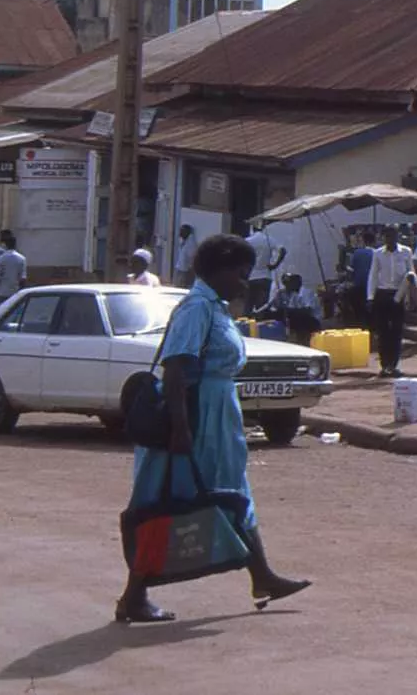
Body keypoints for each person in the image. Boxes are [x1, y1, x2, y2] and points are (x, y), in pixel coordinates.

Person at [116, 234, 310, 624]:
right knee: (169, 500)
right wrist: (182, 429)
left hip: (218, 417)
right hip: (198, 418)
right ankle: (133, 596)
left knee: (232, 496)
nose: (243, 282)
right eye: (240, 273)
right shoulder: (196, 308)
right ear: (220, 269)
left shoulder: (217, 308)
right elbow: (175, 371)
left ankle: (263, 576)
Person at [367, 226, 415, 378]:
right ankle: (384, 365)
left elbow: (411, 274)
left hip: (398, 295)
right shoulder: (378, 254)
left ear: (397, 236)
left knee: (396, 331)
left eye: (392, 236)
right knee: (383, 332)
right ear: (383, 238)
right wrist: (370, 297)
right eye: (387, 236)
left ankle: (393, 365)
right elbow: (373, 275)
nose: (390, 239)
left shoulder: (406, 252)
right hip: (382, 294)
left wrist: (410, 296)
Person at [263, 272, 325, 345]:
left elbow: (308, 311)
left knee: (294, 315)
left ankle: (303, 337)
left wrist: (288, 310)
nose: (286, 286)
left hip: (314, 321)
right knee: (278, 314)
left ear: (297, 282)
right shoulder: (292, 294)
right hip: (302, 318)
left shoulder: (306, 292)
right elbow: (286, 308)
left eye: (289, 283)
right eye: (285, 283)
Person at [244, 222, 286, 319]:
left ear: (252, 228)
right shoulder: (268, 240)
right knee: (261, 307)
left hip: (250, 277)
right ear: (263, 228)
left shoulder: (248, 241)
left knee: (248, 305)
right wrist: (275, 265)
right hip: (265, 276)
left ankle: (246, 327)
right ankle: (260, 328)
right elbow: (283, 250)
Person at [0, 231, 26, 300]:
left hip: (2, 292)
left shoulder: (0, 259)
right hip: (15, 293)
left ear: (5, 245)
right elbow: (23, 278)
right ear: (15, 244)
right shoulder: (22, 258)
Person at [171, 224, 198, 289]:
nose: (180, 233)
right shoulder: (184, 241)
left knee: (181, 288)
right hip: (180, 268)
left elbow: (191, 257)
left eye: (182, 231)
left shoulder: (191, 244)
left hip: (185, 271)